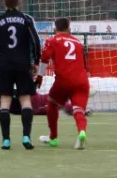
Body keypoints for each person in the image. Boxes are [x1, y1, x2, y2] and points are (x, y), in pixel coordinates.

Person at [0, 0, 41, 150]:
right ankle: (26, 137)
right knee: (25, 100)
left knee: (5, 101)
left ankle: (6, 140)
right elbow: (36, 42)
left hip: (5, 66)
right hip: (23, 65)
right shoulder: (26, 19)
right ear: (19, 2)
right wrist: (36, 62)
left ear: (4, 3)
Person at [35, 17, 89, 149]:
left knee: (51, 104)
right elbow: (85, 65)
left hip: (63, 81)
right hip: (82, 82)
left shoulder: (52, 41)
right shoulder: (78, 42)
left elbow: (44, 60)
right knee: (78, 110)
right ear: (69, 29)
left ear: (55, 29)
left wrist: (40, 77)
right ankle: (81, 132)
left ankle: (53, 137)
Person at [0, 86, 93, 116]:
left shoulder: (63, 103)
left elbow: (71, 109)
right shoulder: (60, 98)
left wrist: (82, 111)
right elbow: (71, 108)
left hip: (27, 108)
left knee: (0, 104)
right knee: (2, 94)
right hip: (30, 97)